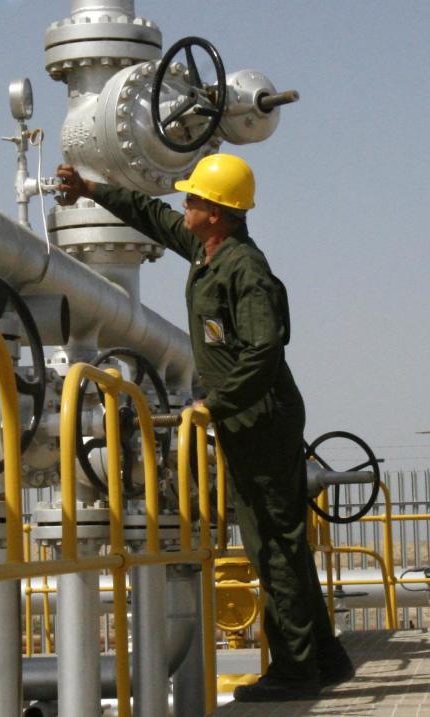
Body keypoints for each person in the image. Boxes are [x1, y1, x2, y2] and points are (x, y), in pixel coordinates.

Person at [56, 154, 354, 702]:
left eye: (193, 199)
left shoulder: (247, 271)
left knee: (272, 544)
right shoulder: (206, 250)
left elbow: (265, 349)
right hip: (246, 415)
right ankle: (326, 659)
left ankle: (294, 669)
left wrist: (214, 406)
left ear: (217, 212)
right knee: (280, 539)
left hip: (259, 418)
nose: (184, 205)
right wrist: (92, 189)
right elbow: (150, 215)